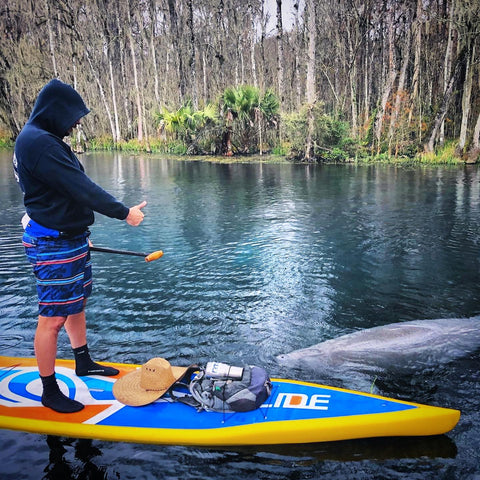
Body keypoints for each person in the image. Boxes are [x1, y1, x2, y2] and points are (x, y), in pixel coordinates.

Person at [13, 78, 147, 413]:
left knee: (75, 303)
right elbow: (80, 188)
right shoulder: (39, 143)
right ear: (56, 111)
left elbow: (48, 193)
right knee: (53, 317)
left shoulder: (42, 140)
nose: (77, 122)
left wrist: (75, 228)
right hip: (52, 243)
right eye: (74, 115)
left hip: (68, 239)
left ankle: (83, 361)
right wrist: (124, 213)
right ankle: (48, 389)